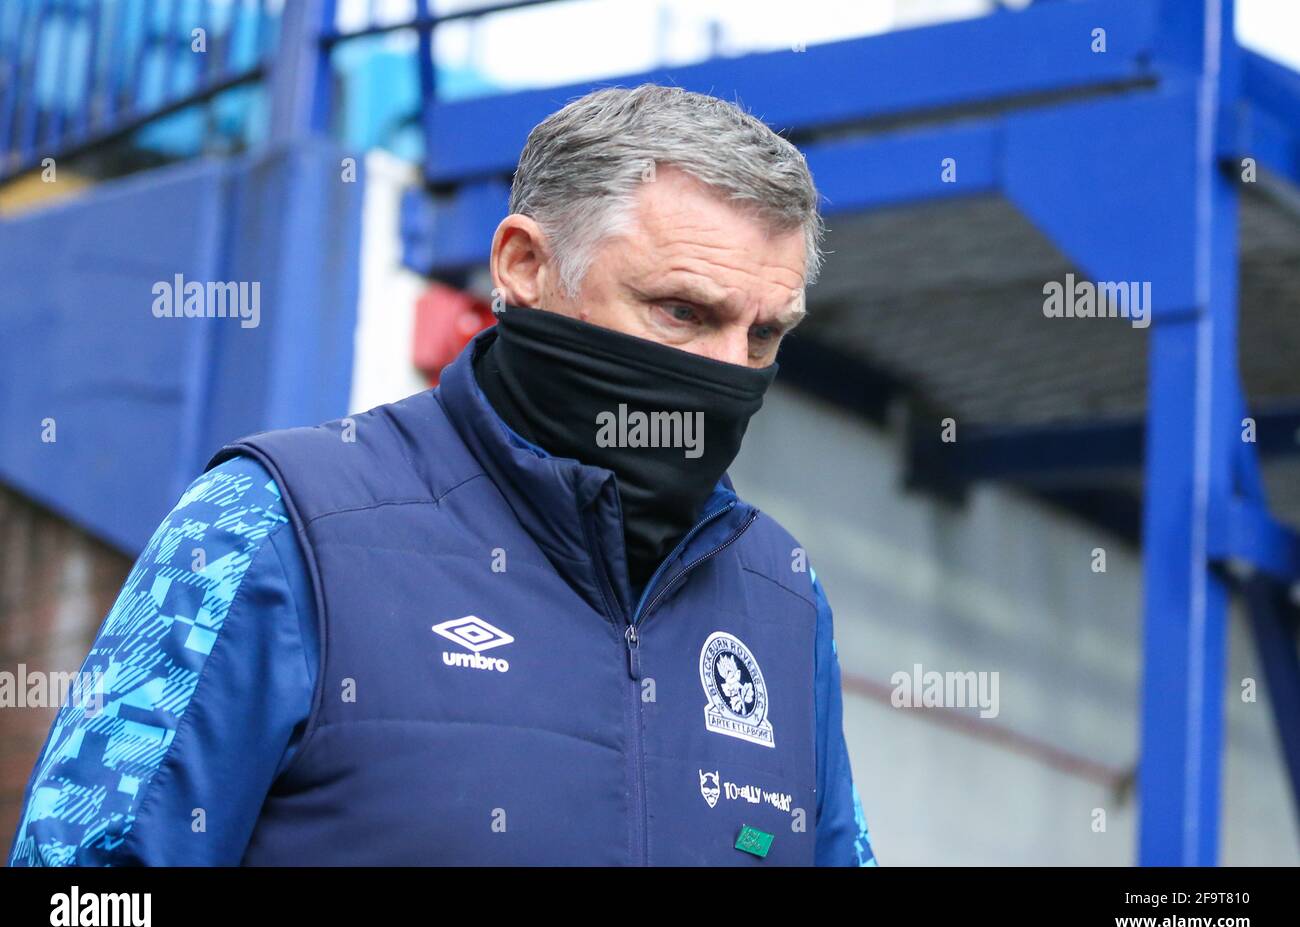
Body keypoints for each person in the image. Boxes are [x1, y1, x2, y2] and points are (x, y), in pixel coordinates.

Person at [8, 84, 877, 866]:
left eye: (764, 336)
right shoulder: (277, 525)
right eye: (684, 312)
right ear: (524, 266)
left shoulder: (783, 599)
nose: (727, 373)